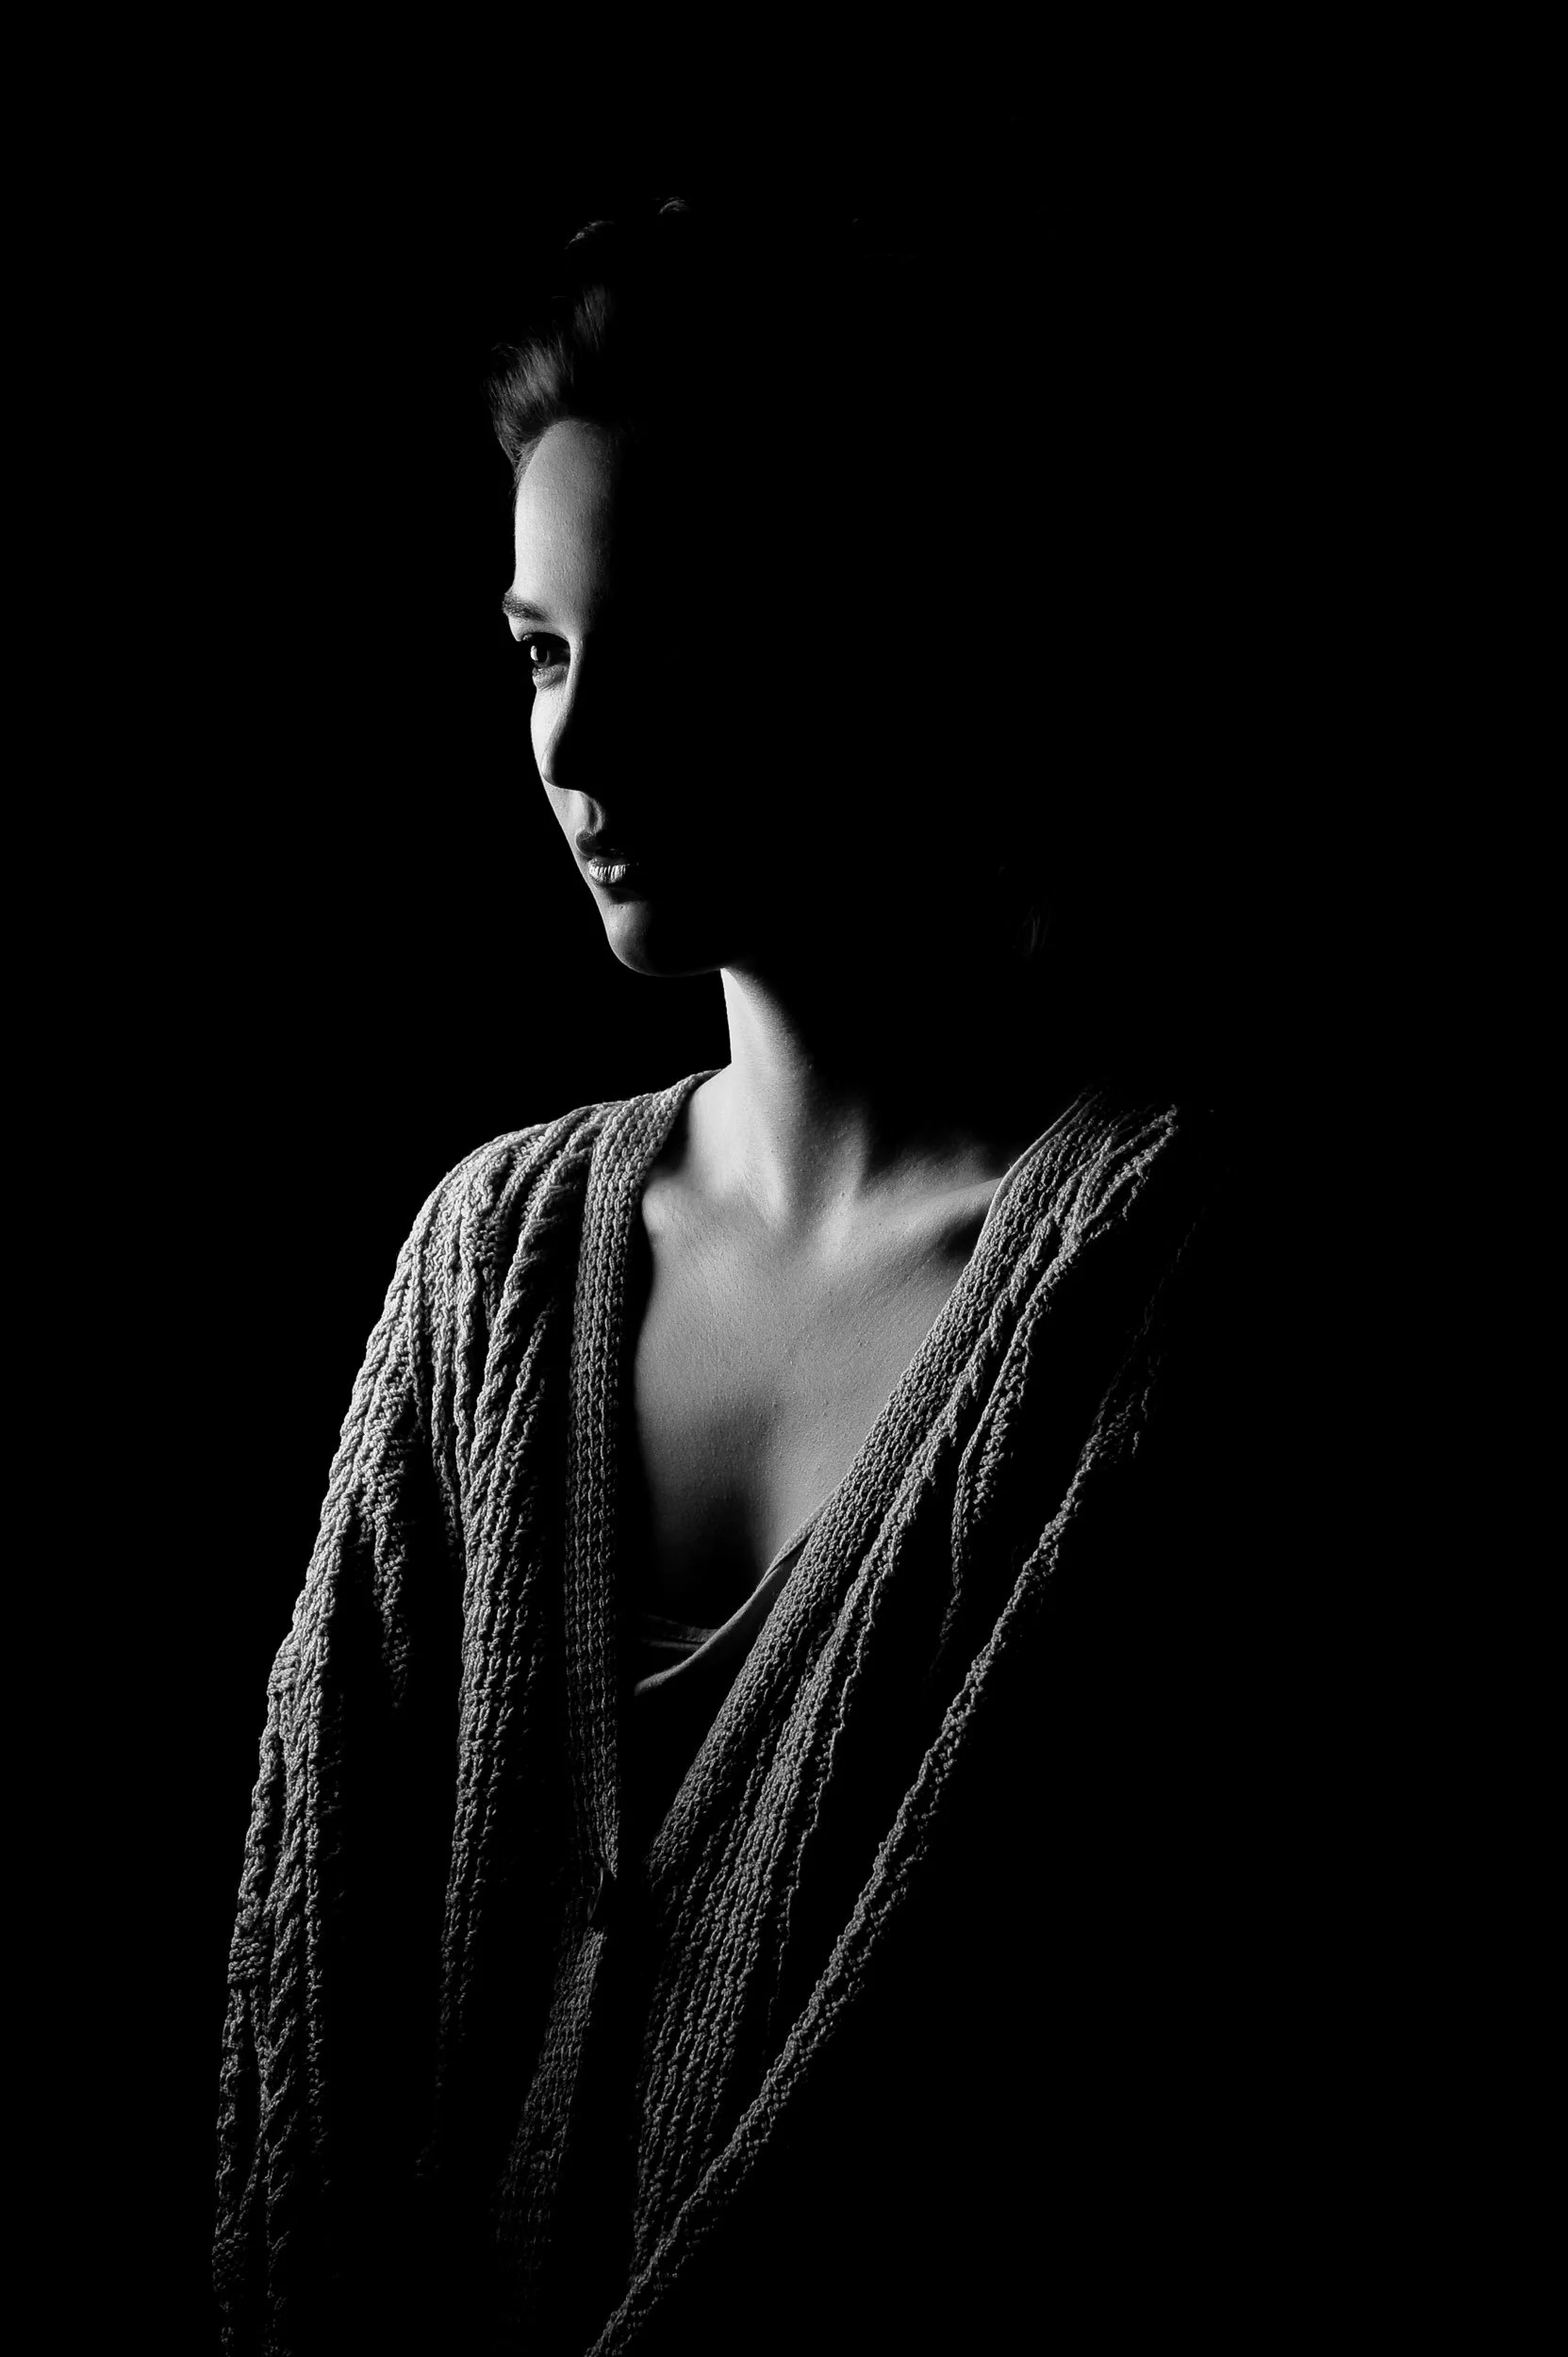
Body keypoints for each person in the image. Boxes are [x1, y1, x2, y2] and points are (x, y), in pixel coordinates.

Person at [214, 200, 1279, 2354]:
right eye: (539, 652)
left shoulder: (1142, 1278)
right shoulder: (491, 1268)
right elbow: (299, 2013)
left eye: (664, 644)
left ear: (870, 625)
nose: (573, 745)